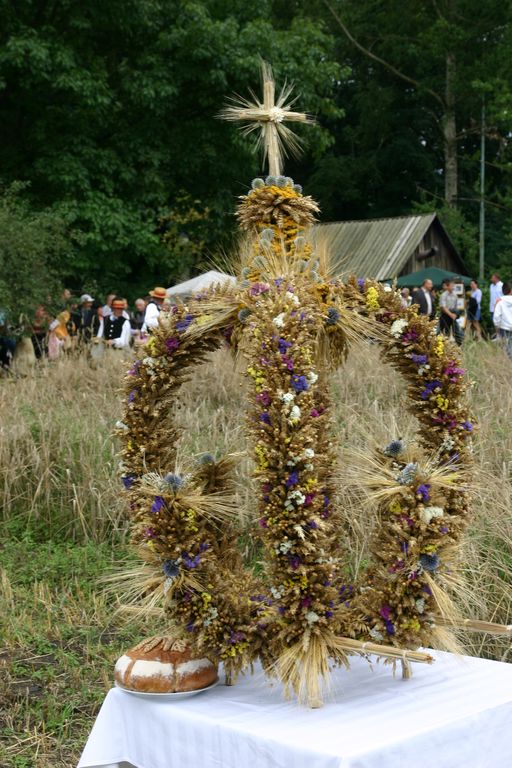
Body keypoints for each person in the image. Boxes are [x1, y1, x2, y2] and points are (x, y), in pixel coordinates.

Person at [438, 280, 464, 345]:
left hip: (453, 315)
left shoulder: (455, 295)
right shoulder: (443, 295)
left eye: (453, 286)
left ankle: (459, 345)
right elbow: (443, 307)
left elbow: (456, 307)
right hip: (445, 315)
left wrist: (455, 314)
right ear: (447, 286)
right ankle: (444, 346)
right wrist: (451, 314)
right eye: (451, 286)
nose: (453, 287)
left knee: (457, 331)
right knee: (444, 332)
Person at [493, 282, 512, 358]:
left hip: (504, 328)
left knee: (505, 347)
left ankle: (507, 361)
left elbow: (496, 317)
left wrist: (497, 328)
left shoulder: (500, 301)